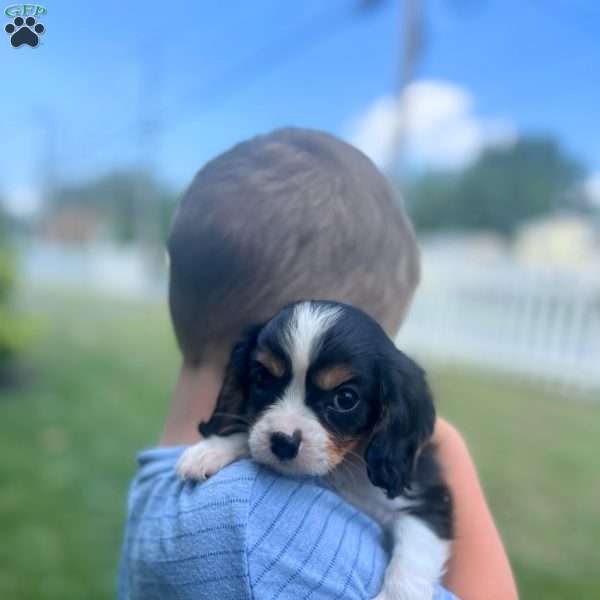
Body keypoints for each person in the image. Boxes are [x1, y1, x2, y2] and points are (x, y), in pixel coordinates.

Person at [118, 128, 518, 600]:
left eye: (344, 398)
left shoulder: (159, 489)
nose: (286, 429)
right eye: (268, 382)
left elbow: (416, 512)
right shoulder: (268, 538)